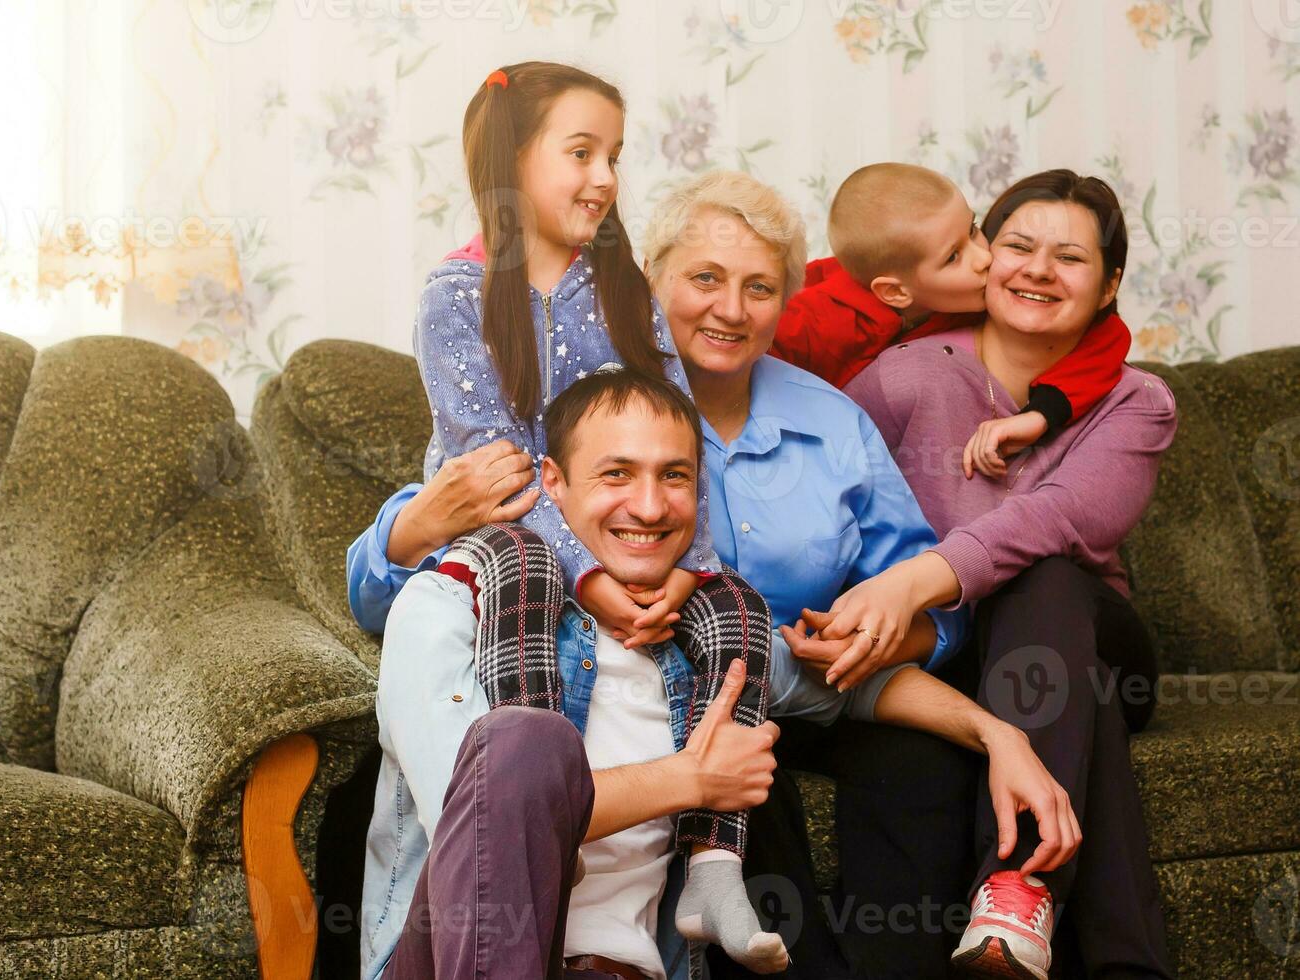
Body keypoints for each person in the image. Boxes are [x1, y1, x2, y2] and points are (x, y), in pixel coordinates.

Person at [352, 169, 1083, 979]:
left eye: (675, 476)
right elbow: (482, 806)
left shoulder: (714, 620)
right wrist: (689, 777)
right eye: (616, 475)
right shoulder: (485, 564)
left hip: (645, 937)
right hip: (469, 942)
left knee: (829, 749)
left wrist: (996, 730)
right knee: (530, 745)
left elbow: (843, 676)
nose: (648, 505)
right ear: (552, 481)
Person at [402, 60, 779, 970]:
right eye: (581, 152)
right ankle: (539, 796)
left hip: (628, 528)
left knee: (739, 607)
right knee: (525, 567)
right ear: (510, 159)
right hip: (511, 531)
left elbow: (678, 434)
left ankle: (714, 859)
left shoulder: (622, 291)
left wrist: (687, 568)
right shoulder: (455, 298)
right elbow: (493, 468)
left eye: (615, 155)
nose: (606, 178)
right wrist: (594, 576)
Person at [830, 169, 1178, 980]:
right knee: (1067, 714)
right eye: (1018, 246)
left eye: (1070, 258)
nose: (1037, 270)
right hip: (959, 659)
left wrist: (917, 577)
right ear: (983, 257)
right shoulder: (906, 375)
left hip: (1091, 635)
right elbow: (826, 483)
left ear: (1110, 285)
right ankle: (1094, 956)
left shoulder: (1139, 402)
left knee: (1043, 575)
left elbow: (1058, 519)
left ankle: (1015, 883)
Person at [771, 162, 1132, 483]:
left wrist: (1043, 412)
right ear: (896, 292)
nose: (983, 258)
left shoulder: (969, 297)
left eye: (974, 230)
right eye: (954, 256)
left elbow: (1107, 335)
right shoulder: (812, 322)